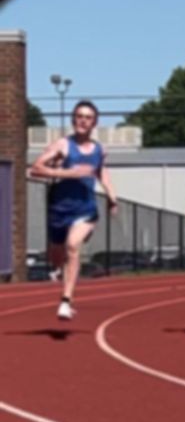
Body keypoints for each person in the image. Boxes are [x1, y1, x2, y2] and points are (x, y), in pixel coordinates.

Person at [29, 100, 118, 321]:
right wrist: (69, 173)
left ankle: (66, 301)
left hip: (86, 209)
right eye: (79, 116)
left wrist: (111, 195)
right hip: (60, 209)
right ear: (73, 119)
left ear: (94, 123)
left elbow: (101, 172)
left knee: (73, 246)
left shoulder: (100, 150)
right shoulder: (62, 146)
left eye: (88, 117)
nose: (82, 120)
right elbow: (35, 169)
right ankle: (60, 272)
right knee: (57, 256)